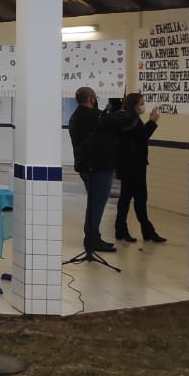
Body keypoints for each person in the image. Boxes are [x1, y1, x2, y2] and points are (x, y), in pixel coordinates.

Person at [67, 87, 132, 254]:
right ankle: (92, 239)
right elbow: (118, 122)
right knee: (97, 204)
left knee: (94, 203)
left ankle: (93, 236)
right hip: (98, 167)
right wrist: (127, 109)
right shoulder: (93, 116)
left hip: (86, 166)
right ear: (91, 98)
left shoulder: (75, 116)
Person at [114, 92, 165, 243]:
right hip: (132, 166)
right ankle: (135, 230)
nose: (143, 106)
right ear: (134, 105)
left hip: (134, 165)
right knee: (134, 199)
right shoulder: (129, 119)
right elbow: (140, 137)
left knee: (132, 198)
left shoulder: (131, 119)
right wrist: (152, 122)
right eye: (141, 103)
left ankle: (131, 229)